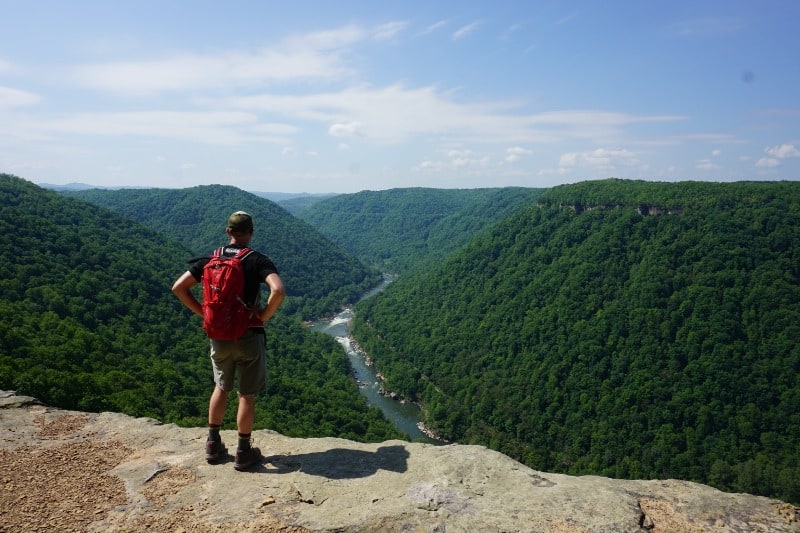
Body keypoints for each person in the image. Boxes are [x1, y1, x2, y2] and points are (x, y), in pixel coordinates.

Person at [172, 211, 285, 471]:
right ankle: (243, 451)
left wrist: (204, 312)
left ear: (228, 232)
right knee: (246, 394)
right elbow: (278, 290)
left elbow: (178, 287)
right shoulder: (256, 260)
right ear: (251, 232)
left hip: (219, 335)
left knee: (221, 387)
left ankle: (213, 444)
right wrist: (263, 316)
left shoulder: (211, 259)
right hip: (248, 335)